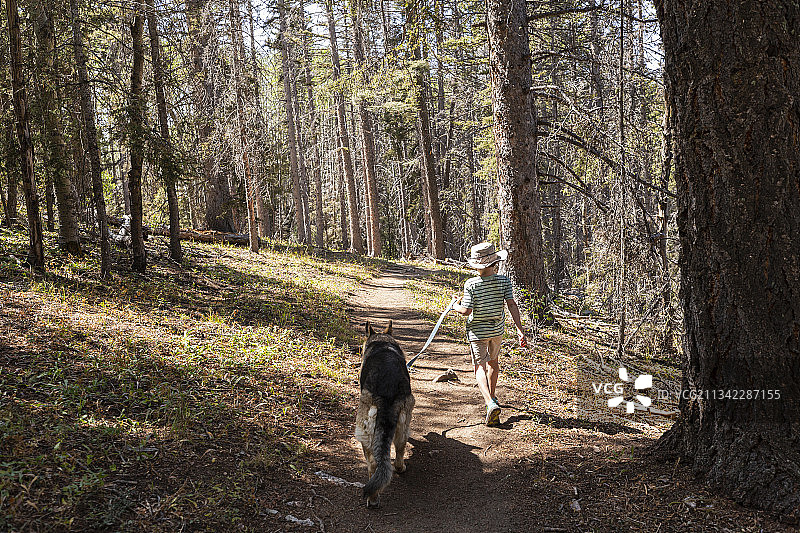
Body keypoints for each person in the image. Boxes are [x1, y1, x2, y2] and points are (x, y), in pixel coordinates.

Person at [451, 242, 527, 426]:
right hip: (497, 331)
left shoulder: (471, 284)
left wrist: (454, 305)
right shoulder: (504, 281)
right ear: (495, 263)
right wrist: (519, 329)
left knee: (479, 367)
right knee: (493, 363)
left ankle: (489, 402)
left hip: (477, 332)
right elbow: (511, 305)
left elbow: (466, 311)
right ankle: (492, 397)